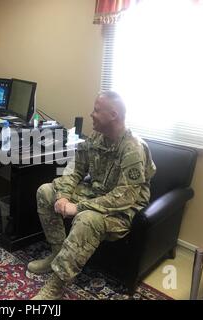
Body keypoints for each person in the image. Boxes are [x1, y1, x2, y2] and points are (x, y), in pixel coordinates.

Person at [28, 91, 156, 300]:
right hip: (95, 193)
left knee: (86, 219)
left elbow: (125, 197)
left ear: (113, 115)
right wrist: (62, 196)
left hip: (123, 209)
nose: (91, 114)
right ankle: (57, 253)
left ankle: (56, 285)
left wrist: (78, 207)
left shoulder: (133, 148)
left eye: (97, 110)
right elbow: (76, 169)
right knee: (45, 191)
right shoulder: (96, 136)